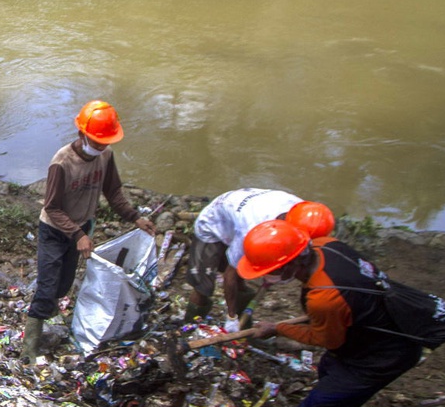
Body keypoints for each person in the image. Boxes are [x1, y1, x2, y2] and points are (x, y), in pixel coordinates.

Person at [237, 220, 424, 407]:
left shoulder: (324, 299)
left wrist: (277, 328)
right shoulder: (326, 245)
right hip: (368, 326)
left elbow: (326, 340)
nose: (269, 277)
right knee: (328, 368)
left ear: (293, 262)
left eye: (273, 271)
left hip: (386, 350)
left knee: (320, 404)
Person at [23, 100, 156, 361]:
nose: (101, 147)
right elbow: (52, 207)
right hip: (54, 231)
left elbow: (113, 192)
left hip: (81, 227)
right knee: (47, 287)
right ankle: (29, 350)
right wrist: (78, 235)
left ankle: (53, 322)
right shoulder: (62, 163)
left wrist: (134, 217)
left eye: (105, 142)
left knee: (64, 284)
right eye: (96, 142)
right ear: (82, 134)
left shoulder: (105, 156)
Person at [185, 189, 305, 330]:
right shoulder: (249, 232)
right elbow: (231, 274)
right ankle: (189, 327)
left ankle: (244, 326)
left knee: (241, 280)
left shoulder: (302, 216)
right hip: (213, 223)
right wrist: (231, 317)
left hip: (240, 212)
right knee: (203, 286)